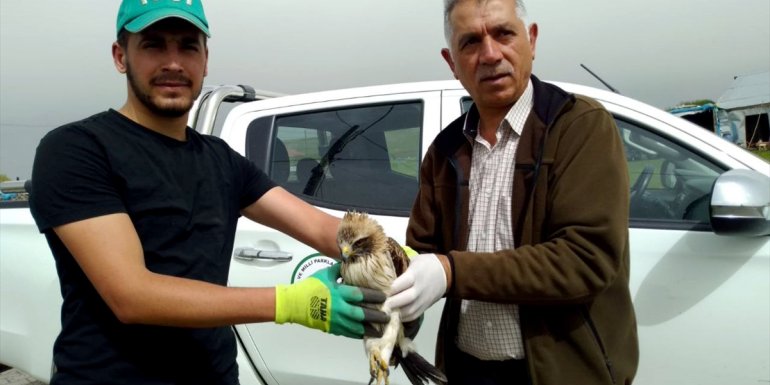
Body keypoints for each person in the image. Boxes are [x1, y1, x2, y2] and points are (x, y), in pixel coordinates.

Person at [29, 1, 389, 384]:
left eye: (188, 46)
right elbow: (131, 295)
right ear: (121, 56)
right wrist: (293, 303)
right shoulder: (77, 149)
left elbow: (320, 228)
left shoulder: (220, 159)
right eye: (153, 45)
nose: (173, 63)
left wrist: (401, 260)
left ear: (205, 60)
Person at [385, 0, 639, 383]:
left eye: (503, 34)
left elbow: (585, 258)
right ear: (451, 62)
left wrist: (452, 271)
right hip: (467, 371)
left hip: (559, 374)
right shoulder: (444, 151)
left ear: (531, 40)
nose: (490, 54)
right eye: (470, 42)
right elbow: (420, 254)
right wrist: (380, 287)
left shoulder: (579, 127)